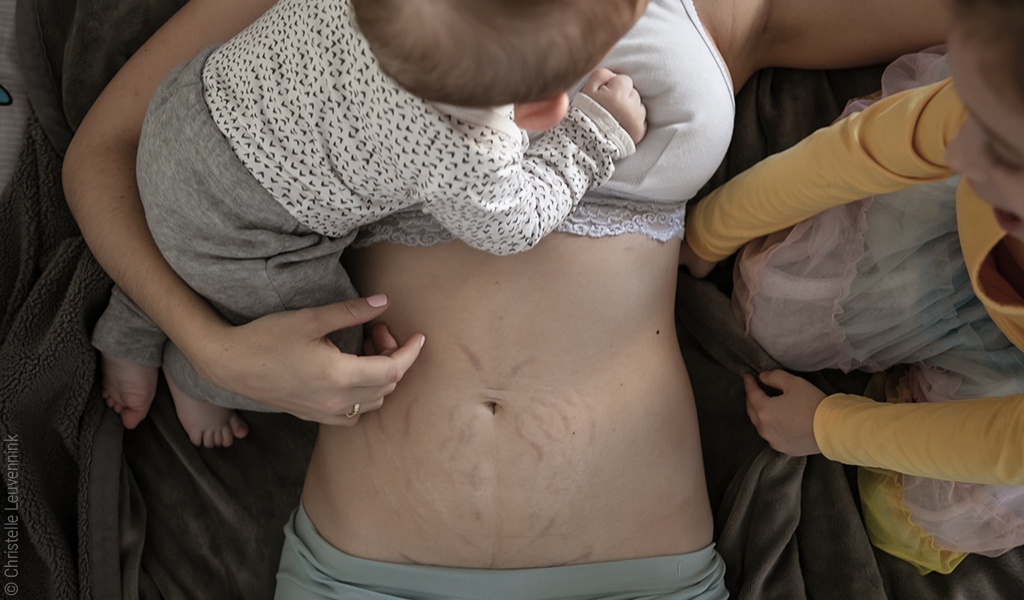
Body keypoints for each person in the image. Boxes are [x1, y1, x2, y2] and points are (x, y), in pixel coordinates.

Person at [61, 0, 949, 596]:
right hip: (364, 572)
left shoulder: (717, 11)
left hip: (639, 572)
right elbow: (104, 152)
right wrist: (208, 348)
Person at [90, 0, 650, 448]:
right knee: (335, 355)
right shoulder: (468, 144)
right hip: (246, 232)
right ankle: (192, 373)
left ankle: (137, 315)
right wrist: (590, 139)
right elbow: (513, 224)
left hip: (183, 109)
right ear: (541, 110)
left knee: (182, 227)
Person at [681, 0, 1024, 576]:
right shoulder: (988, 111)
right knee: (776, 313)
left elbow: (1007, 444)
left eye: (998, 154)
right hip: (966, 240)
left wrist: (827, 428)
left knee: (936, 507)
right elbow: (861, 151)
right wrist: (710, 231)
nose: (958, 153)